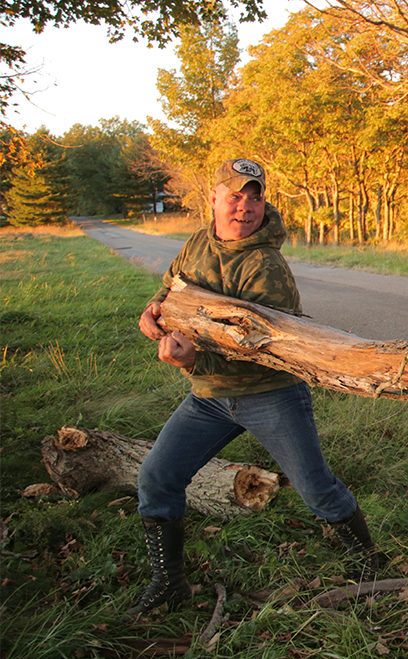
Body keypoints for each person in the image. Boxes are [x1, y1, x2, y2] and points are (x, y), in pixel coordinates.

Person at [127, 158, 382, 619]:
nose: (245, 207)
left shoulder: (266, 266)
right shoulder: (198, 242)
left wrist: (192, 359)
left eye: (255, 197)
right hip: (209, 397)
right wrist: (153, 310)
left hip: (270, 394)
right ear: (213, 198)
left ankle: (370, 565)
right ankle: (169, 583)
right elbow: (170, 289)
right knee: (156, 478)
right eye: (235, 196)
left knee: (316, 490)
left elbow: (263, 348)